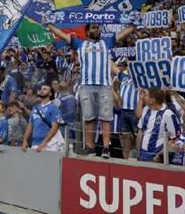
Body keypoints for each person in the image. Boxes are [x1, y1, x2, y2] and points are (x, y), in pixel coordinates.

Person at [49, 23, 135, 158]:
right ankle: (90, 148)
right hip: (86, 85)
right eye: (94, 27)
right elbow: (62, 35)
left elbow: (123, 33)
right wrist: (49, 24)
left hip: (104, 85)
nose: (97, 30)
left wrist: (134, 24)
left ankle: (106, 147)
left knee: (106, 118)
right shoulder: (79, 44)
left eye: (98, 28)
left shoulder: (106, 42)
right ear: (87, 31)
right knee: (89, 118)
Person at [136, 89, 181, 162]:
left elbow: (175, 138)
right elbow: (140, 131)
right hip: (143, 154)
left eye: (146, 95)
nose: (144, 97)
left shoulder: (168, 114)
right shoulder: (146, 110)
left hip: (156, 156)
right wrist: (138, 153)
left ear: (152, 100)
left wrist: (160, 155)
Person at [22, 85, 63, 153]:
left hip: (49, 144)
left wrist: (44, 142)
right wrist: (25, 140)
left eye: (45, 89)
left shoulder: (54, 108)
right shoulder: (35, 108)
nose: (41, 90)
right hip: (35, 143)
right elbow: (30, 125)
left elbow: (54, 128)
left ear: (50, 93)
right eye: (41, 89)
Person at [113, 59, 138, 159]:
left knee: (137, 134)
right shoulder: (124, 77)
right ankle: (126, 158)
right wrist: (107, 56)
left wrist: (130, 62)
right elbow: (114, 68)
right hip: (124, 110)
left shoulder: (139, 79)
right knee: (125, 135)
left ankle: (138, 157)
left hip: (134, 110)